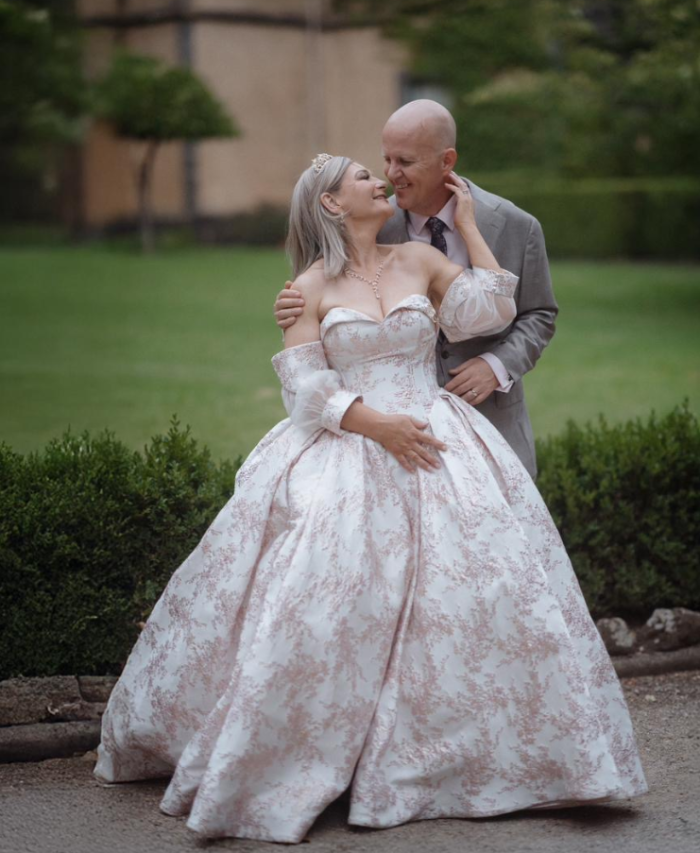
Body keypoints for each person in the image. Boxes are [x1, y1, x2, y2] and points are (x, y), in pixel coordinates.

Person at [93, 154, 647, 844]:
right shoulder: (307, 289)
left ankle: (483, 757)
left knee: (482, 589)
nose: (377, 180)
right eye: (361, 174)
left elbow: (490, 308)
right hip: (350, 444)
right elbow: (305, 388)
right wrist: (377, 425)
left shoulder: (418, 258)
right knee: (326, 584)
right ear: (330, 204)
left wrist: (471, 229)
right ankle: (319, 753)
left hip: (439, 437)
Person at [274, 100, 556, 479]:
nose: (389, 176)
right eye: (385, 160)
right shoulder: (375, 220)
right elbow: (319, 323)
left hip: (485, 421)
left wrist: (497, 366)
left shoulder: (517, 226)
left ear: (447, 160)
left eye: (405, 162)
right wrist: (294, 310)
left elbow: (537, 313)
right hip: (365, 445)